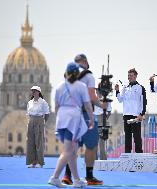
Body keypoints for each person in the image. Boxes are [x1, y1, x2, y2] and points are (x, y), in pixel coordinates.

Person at [62, 54, 106, 185]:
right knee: (91, 146)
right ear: (86, 62)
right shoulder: (88, 76)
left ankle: (67, 176)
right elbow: (92, 96)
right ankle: (89, 176)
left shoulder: (68, 76)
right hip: (85, 114)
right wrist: (102, 104)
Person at [48, 62, 93, 187]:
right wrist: (91, 119)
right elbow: (88, 106)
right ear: (77, 74)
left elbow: (56, 107)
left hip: (61, 118)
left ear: (66, 73)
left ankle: (77, 180)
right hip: (73, 119)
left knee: (72, 151)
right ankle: (55, 177)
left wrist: (59, 118)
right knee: (68, 151)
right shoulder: (81, 86)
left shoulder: (59, 87)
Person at [115, 68, 147, 153]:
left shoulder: (140, 88)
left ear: (136, 76)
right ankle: (127, 153)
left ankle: (139, 153)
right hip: (126, 114)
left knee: (137, 136)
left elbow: (143, 102)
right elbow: (120, 99)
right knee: (127, 136)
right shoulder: (125, 87)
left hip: (136, 115)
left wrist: (142, 114)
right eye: (128, 75)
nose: (129, 77)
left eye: (131, 75)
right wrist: (117, 91)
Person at [26, 85, 50, 168]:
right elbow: (28, 113)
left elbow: (47, 113)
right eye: (32, 91)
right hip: (31, 121)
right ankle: (32, 162)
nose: (33, 92)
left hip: (39, 120)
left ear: (39, 92)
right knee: (30, 142)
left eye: (35, 91)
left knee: (39, 142)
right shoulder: (30, 102)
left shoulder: (43, 102)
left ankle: (40, 162)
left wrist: (43, 122)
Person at [94, 87, 112, 160]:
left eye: (98, 92)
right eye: (96, 92)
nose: (96, 93)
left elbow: (109, 112)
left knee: (101, 142)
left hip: (101, 119)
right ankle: (96, 159)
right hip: (95, 119)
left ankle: (102, 159)